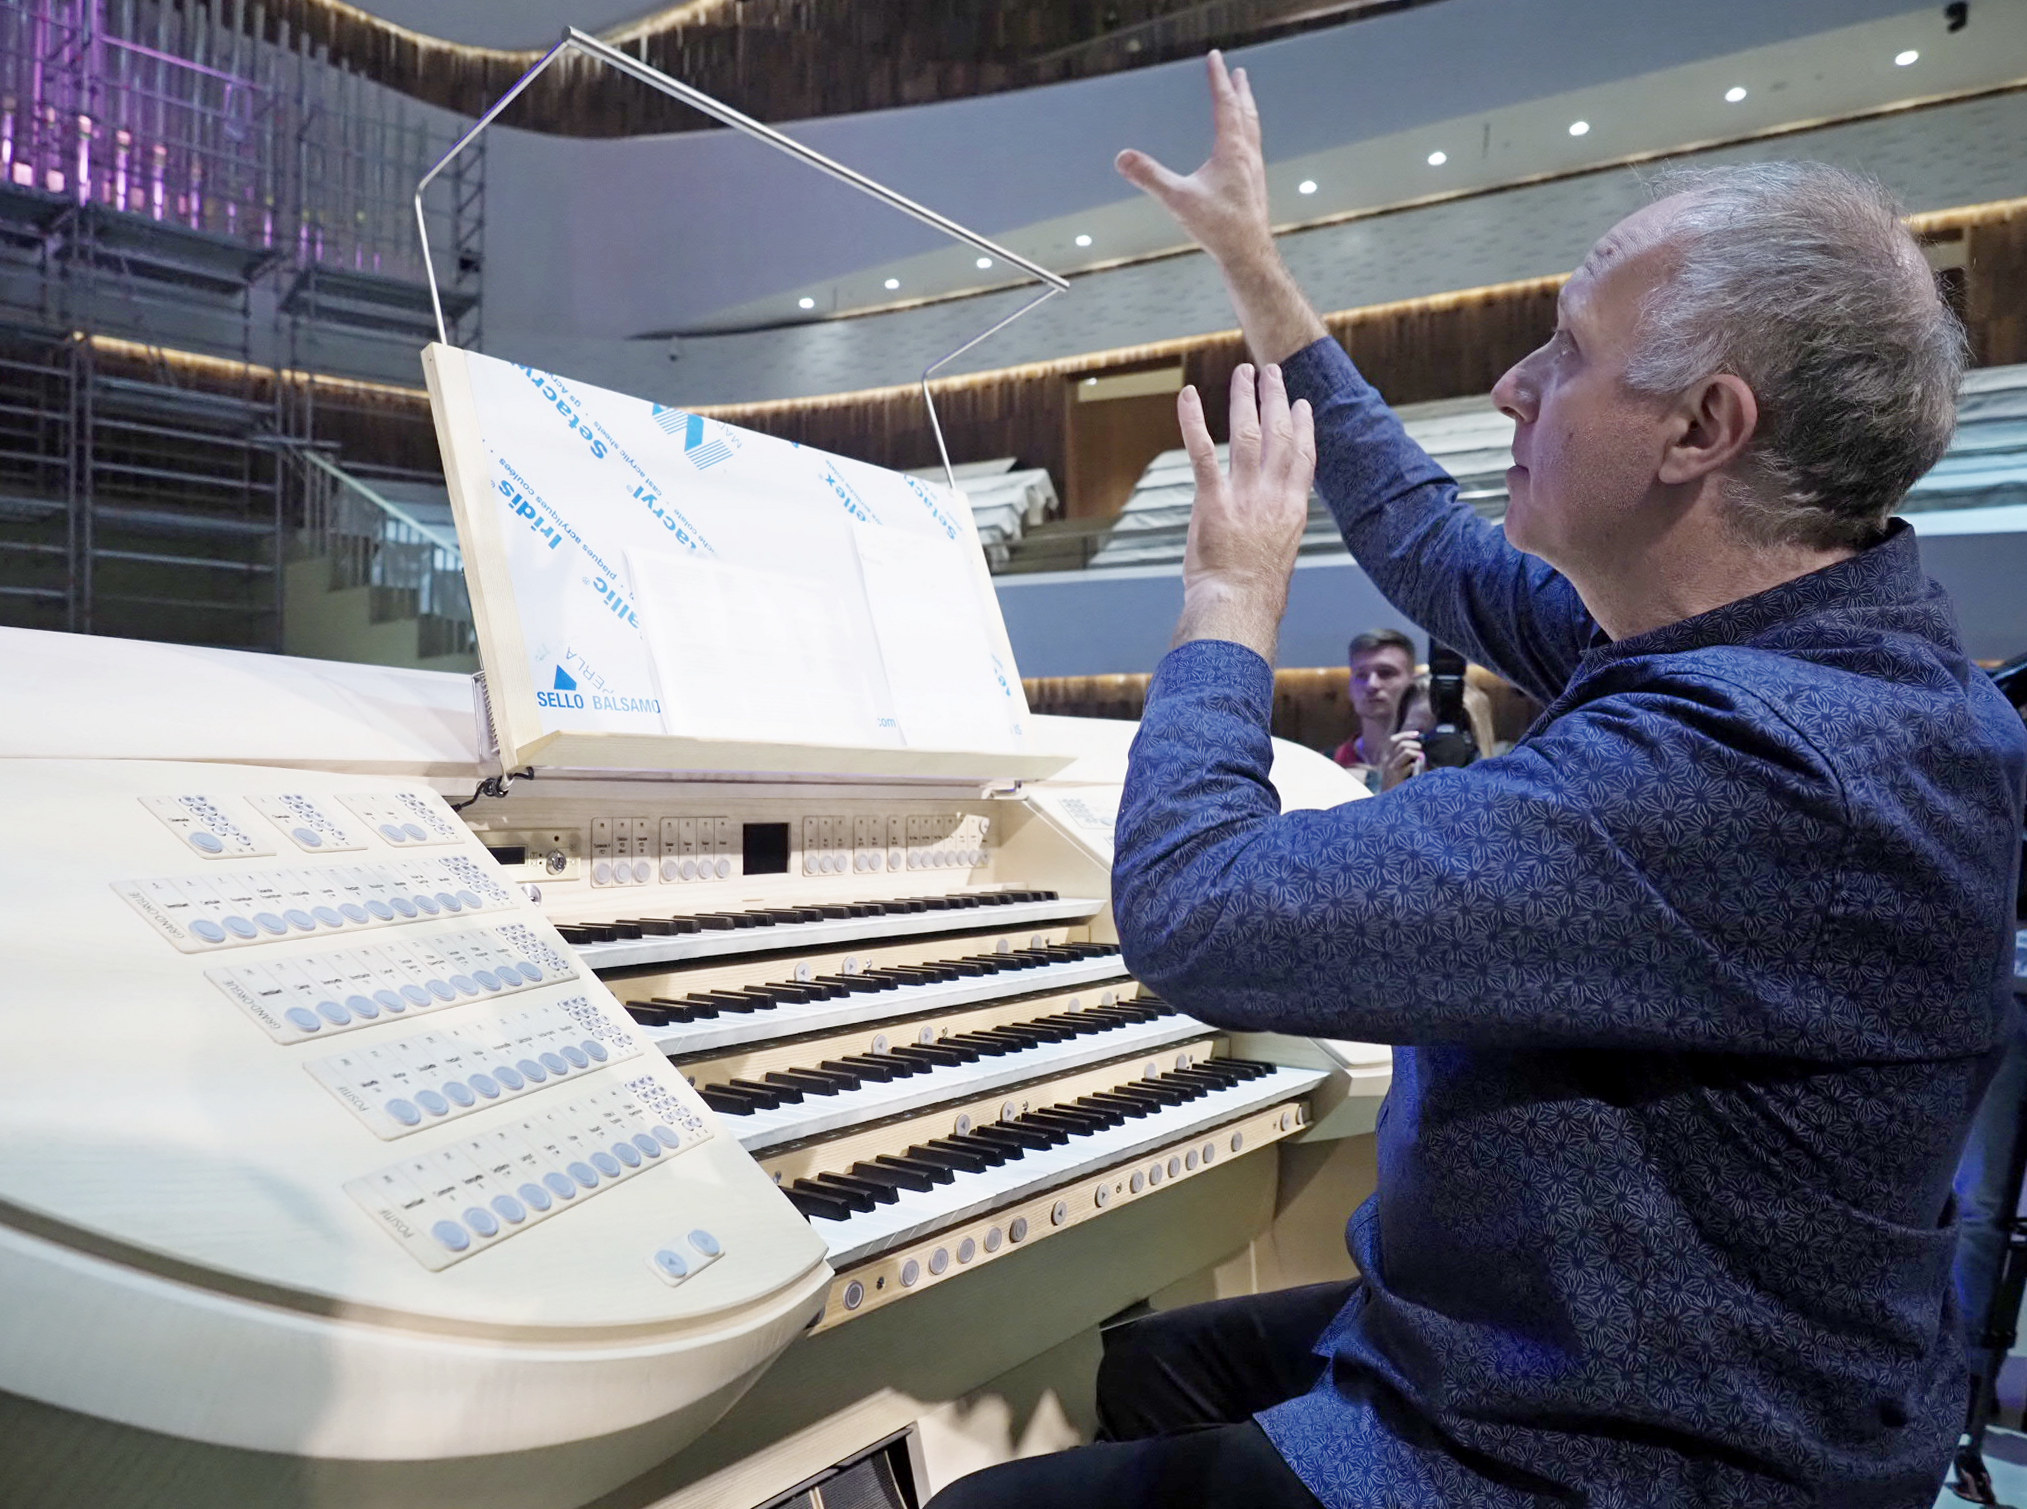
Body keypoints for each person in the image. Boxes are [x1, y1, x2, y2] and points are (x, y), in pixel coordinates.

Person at [928, 49, 2027, 1509]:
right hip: (1635, 1340)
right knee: (1148, 1369)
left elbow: (1196, 909)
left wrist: (1227, 598)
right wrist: (1256, 269)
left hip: (1620, 1450)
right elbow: (1426, 541)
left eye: (1564, 351)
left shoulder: (1757, 761)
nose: (1510, 385)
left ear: (1702, 427)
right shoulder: (1804, 639)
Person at [1331, 627, 1416, 789]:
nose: (1371, 685)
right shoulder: (1325, 764)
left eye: (1386, 673)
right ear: (1350, 686)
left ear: (1413, 683)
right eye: (1361, 675)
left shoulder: (1431, 763)